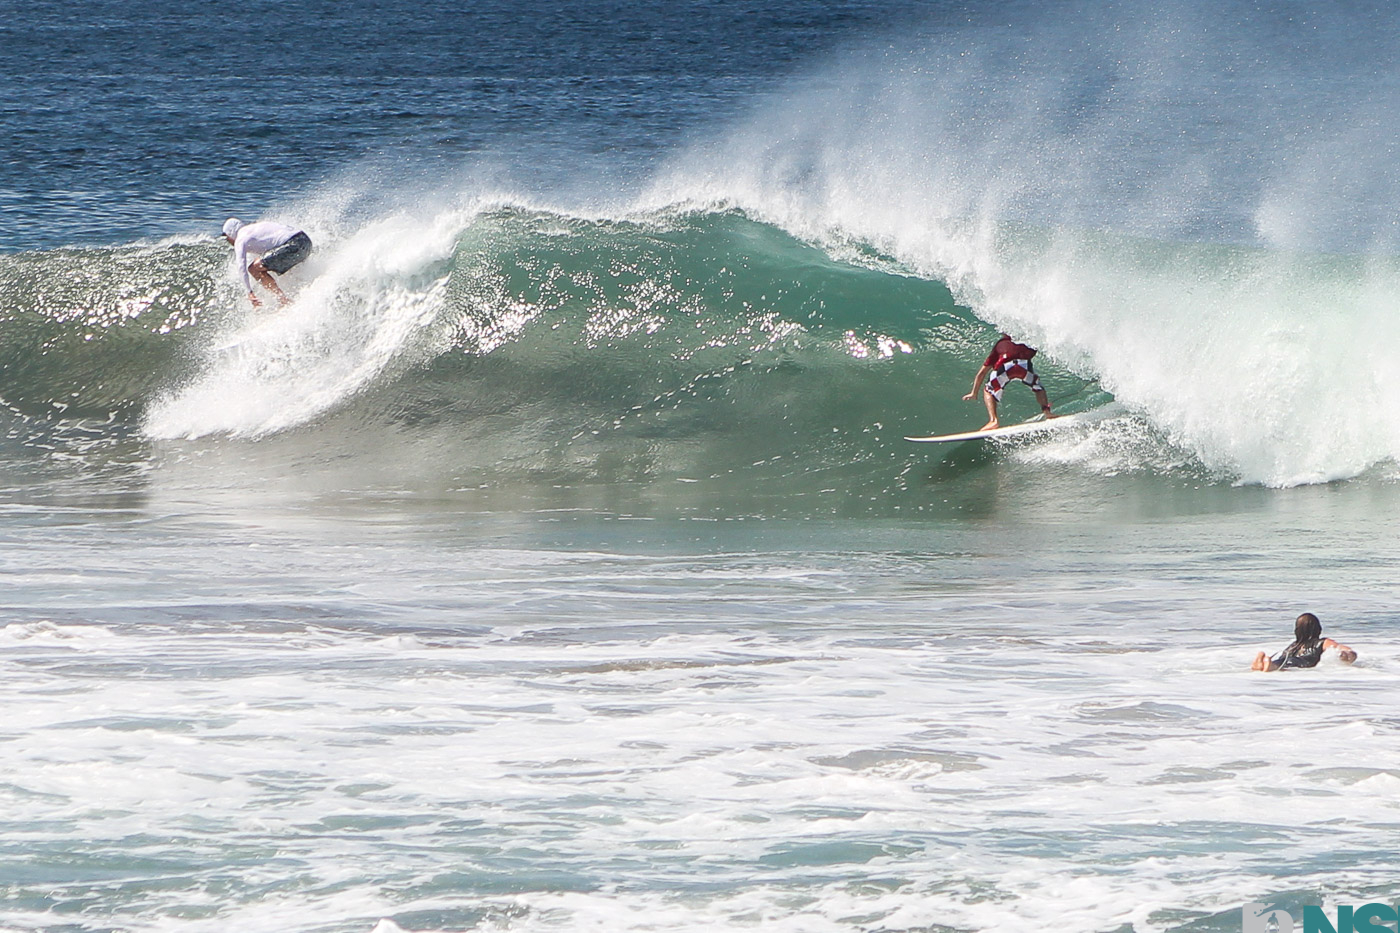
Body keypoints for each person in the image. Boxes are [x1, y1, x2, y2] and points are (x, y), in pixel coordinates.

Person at [963, 333, 1055, 430]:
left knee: (988, 389)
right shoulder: (1028, 340)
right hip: (1024, 366)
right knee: (1038, 387)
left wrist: (974, 393)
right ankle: (1047, 412)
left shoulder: (1000, 344)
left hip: (1005, 368)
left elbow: (982, 373)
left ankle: (993, 421)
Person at [221, 218, 313, 308]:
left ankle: (283, 301)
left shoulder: (240, 239)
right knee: (270, 265)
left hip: (293, 245)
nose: (228, 240)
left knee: (254, 269)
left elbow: (241, 266)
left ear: (230, 233)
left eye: (226, 237)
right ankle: (304, 293)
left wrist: (249, 292)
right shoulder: (255, 229)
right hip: (305, 241)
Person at [1251, 612, 1357, 671]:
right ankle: (1268, 664)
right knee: (1281, 666)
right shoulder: (1322, 642)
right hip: (1300, 663)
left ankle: (1264, 662)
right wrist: (1347, 654)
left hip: (1286, 658)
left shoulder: (1293, 645)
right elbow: (1344, 649)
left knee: (1279, 664)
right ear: (1318, 628)